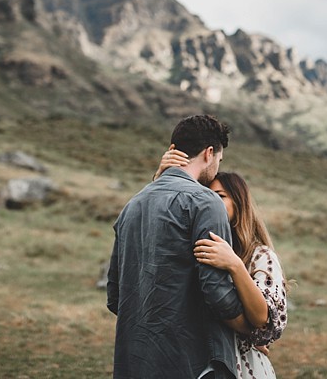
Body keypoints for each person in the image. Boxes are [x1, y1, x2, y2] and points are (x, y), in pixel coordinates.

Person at [107, 114, 249, 379]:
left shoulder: (131, 205)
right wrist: (251, 326)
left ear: (173, 150)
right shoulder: (206, 203)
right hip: (194, 362)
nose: (217, 169)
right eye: (219, 160)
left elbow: (115, 295)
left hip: (134, 360)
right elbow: (217, 293)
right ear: (209, 153)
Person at [157, 151, 288, 379]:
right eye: (206, 196)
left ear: (239, 205)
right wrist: (160, 180)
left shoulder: (260, 256)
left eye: (220, 196)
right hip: (196, 359)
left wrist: (235, 265)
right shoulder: (197, 250)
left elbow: (261, 318)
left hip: (243, 367)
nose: (210, 202)